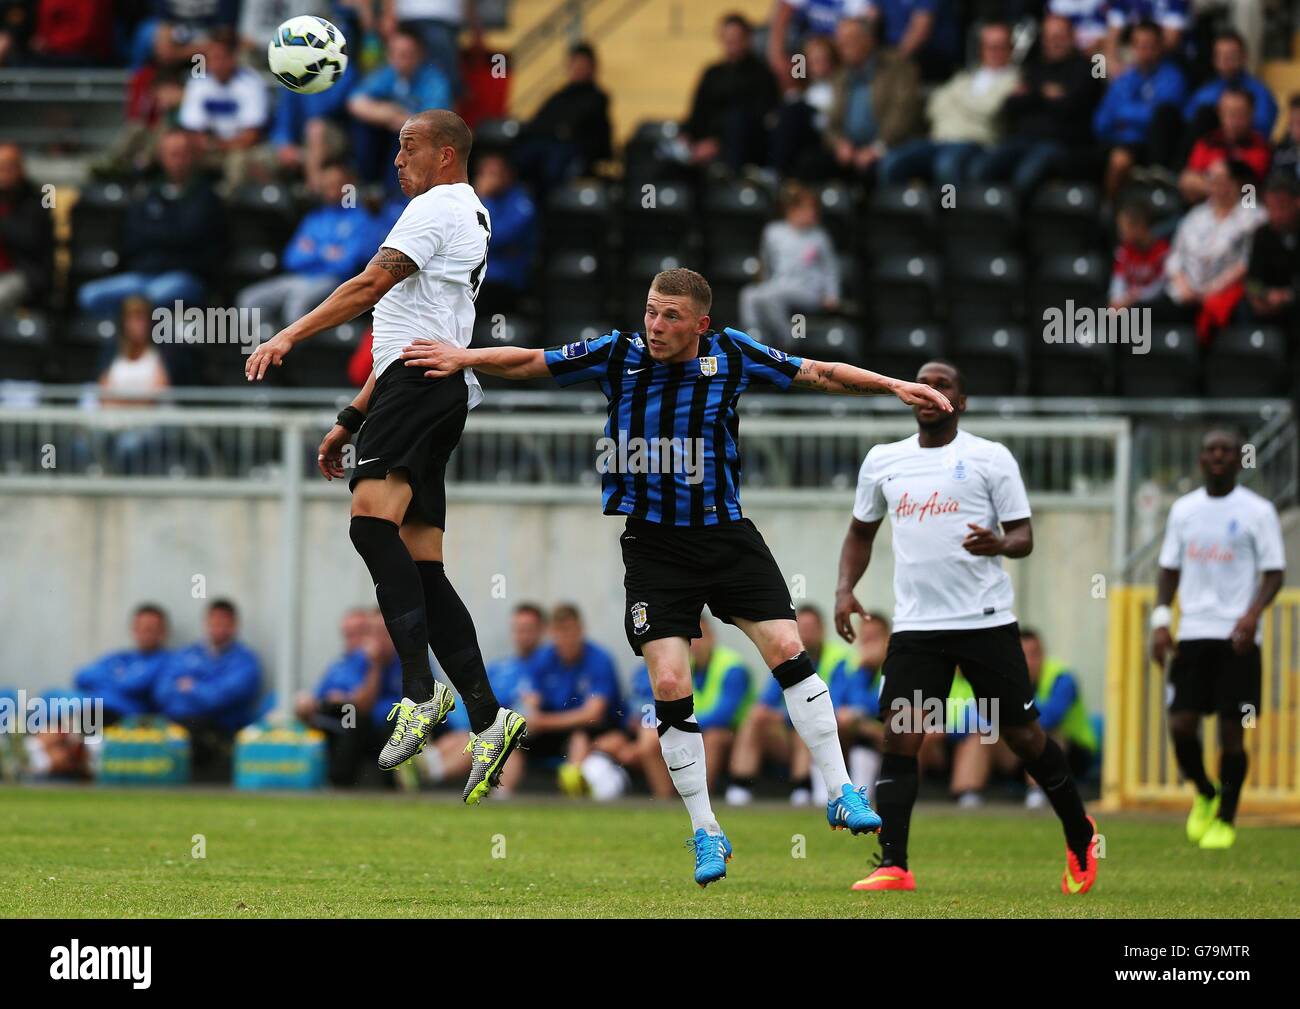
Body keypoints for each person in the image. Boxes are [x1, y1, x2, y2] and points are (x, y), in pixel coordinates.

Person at [399, 266, 952, 887]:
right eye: (651, 312)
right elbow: (531, 360)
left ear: (701, 324)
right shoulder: (618, 355)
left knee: (790, 648)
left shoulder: (732, 355)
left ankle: (840, 789)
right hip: (654, 548)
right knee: (667, 681)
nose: (655, 327)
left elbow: (818, 372)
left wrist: (896, 387)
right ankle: (706, 831)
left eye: (671, 317)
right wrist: (461, 356)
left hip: (726, 537)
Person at [244, 109, 525, 806]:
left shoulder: (435, 208)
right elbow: (412, 331)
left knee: (370, 526)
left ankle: (417, 691)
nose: (397, 161)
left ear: (447, 154)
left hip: (417, 387)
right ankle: (489, 716)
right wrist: (351, 417)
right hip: (432, 387)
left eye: (409, 148)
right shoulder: (467, 213)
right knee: (422, 564)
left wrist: (289, 334)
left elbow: (369, 286)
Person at [835, 360, 1099, 894]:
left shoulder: (989, 457)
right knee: (902, 735)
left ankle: (1079, 829)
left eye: (944, 384)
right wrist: (845, 589)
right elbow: (861, 531)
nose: (931, 391)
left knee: (1023, 737)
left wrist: (999, 543)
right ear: (909, 396)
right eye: (923, 383)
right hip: (916, 627)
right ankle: (895, 864)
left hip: (985, 622)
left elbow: (1023, 535)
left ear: (962, 401)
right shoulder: (884, 461)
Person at [1152, 429, 1285, 850]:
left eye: (1227, 451)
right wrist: (1160, 620)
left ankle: (1226, 818)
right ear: (1201, 459)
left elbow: (1275, 571)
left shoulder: (1258, 511)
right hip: (1192, 633)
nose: (1218, 457)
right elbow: (1169, 569)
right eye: (1210, 450)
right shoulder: (1184, 510)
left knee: (1232, 733)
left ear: (1240, 459)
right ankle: (1206, 793)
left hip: (1237, 639)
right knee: (1180, 725)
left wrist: (1250, 617)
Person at [726, 604, 867, 806]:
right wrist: (769, 715)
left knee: (810, 721)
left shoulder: (839, 660)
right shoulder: (785, 656)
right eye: (803, 628)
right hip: (790, 733)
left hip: (832, 733)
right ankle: (740, 785)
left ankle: (803, 786)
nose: (807, 634)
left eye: (812, 628)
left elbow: (829, 708)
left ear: (822, 630)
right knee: (756, 718)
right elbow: (765, 702)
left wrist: (783, 717)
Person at [77, 129, 223, 318]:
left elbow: (191, 236)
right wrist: (171, 232)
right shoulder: (148, 193)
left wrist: (157, 231)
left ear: (193, 156)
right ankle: (125, 345)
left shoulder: (206, 196)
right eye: (172, 154)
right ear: (161, 157)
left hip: (183, 276)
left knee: (148, 300)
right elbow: (132, 235)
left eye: (182, 153)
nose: (177, 160)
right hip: (141, 276)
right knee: (90, 295)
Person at [950, 628, 1097, 809]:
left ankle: (1040, 793)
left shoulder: (1062, 678)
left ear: (1043, 655)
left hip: (1072, 754)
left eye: (1034, 654)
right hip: (1019, 751)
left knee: (1042, 733)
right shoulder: (999, 678)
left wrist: (1000, 714)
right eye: (1022, 654)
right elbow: (968, 721)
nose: (1029, 662)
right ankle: (968, 797)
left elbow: (1049, 717)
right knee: (981, 737)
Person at [236, 162, 381, 332]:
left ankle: (293, 357)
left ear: (348, 185)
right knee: (249, 299)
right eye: (326, 184)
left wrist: (313, 249)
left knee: (296, 304)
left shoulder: (361, 219)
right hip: (299, 277)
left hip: (333, 281)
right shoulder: (314, 218)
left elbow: (346, 265)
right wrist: (326, 252)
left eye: (336, 183)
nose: (331, 188)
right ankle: (259, 352)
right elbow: (291, 259)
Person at [969, 13, 1101, 198]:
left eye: (1059, 37)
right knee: (979, 169)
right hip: (1023, 140)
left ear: (1072, 38)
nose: (1052, 42)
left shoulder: (1088, 69)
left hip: (1062, 144)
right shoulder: (1034, 68)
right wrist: (1044, 94)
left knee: (1024, 176)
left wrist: (1033, 96)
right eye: (1048, 37)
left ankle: (1013, 223)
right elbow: (1010, 105)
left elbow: (1072, 106)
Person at [879, 21, 1020, 188]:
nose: (993, 52)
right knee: (893, 161)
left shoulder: (1015, 81)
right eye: (989, 46)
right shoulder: (965, 76)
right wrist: (971, 104)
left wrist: (957, 100)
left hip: (976, 143)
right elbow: (934, 105)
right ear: (981, 49)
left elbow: (990, 111)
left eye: (1000, 46)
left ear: (1010, 49)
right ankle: (900, 210)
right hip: (939, 140)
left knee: (946, 166)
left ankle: (950, 209)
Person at [513, 604, 623, 796]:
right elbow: (531, 702)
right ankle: (500, 798)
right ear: (552, 633)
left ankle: (573, 792)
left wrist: (543, 721)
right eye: (560, 632)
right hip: (552, 730)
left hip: (594, 730)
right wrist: (530, 718)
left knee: (578, 735)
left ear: (580, 630)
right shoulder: (543, 659)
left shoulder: (599, 660)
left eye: (570, 631)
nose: (566, 639)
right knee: (515, 741)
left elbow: (593, 714)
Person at [152, 599, 262, 782]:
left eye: (223, 623)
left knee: (187, 730)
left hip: (215, 726)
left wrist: (192, 687)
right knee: (90, 706)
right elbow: (161, 693)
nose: (218, 628)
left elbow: (220, 698)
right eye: (214, 623)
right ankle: (90, 769)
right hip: (173, 718)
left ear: (234, 626)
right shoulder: (186, 654)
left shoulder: (244, 660)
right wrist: (201, 691)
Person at [1159, 158, 1264, 342]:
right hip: (1186, 294)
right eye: (1211, 180)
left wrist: (1213, 289)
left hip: (1225, 295)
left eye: (1221, 180)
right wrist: (1182, 284)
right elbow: (1174, 256)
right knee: (1146, 313)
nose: (1215, 186)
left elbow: (1247, 261)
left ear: (1236, 183)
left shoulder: (1252, 216)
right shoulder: (1196, 215)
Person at [295, 608, 401, 787]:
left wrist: (374, 666)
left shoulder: (408, 661)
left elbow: (363, 704)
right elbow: (325, 697)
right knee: (348, 717)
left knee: (355, 718)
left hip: (394, 727)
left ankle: (341, 784)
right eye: (373, 633)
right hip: (355, 723)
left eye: (384, 632)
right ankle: (332, 782)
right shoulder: (355, 661)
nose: (377, 639)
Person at [347, 29, 453, 193]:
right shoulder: (387, 75)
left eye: (407, 54)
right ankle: (367, 186)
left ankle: (397, 196)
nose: (401, 59)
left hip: (420, 144)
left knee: (406, 139)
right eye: (396, 53)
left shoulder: (434, 81)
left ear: (420, 54)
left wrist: (400, 120)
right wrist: (389, 113)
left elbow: (434, 122)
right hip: (388, 134)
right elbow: (355, 102)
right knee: (363, 128)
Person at [1093, 21, 1187, 201]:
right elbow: (1102, 120)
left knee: (1119, 161)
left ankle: (1108, 212)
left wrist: (1123, 115)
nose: (1145, 51)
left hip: (1148, 146)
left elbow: (1160, 118)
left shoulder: (1172, 77)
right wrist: (1130, 115)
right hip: (1114, 140)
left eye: (1150, 45)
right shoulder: (1123, 78)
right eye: (1139, 45)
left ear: (1160, 47)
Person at [822, 16, 923, 183]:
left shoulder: (897, 66)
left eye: (849, 41)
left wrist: (877, 148)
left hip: (891, 146)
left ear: (868, 40)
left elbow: (903, 113)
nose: (842, 47)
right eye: (840, 42)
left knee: (882, 168)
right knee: (811, 164)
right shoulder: (839, 76)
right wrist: (839, 144)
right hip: (851, 150)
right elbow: (829, 122)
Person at [739, 182, 839, 344]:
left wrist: (832, 294)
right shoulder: (773, 232)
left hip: (809, 291)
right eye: (807, 209)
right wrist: (766, 281)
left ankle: (788, 341)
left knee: (771, 296)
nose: (812, 214)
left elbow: (830, 268)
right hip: (780, 285)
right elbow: (766, 262)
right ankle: (753, 341)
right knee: (749, 294)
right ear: (792, 210)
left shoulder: (819, 236)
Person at [682, 14, 781, 175]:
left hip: (740, 147)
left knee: (736, 122)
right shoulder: (712, 73)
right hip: (703, 146)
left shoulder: (762, 74)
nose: (731, 44)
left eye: (736, 38)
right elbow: (697, 112)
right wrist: (686, 136)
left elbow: (760, 118)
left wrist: (717, 143)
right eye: (727, 39)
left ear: (747, 39)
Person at [513, 42, 612, 194]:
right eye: (574, 63)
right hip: (548, 147)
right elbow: (538, 122)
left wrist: (560, 131)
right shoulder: (560, 96)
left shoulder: (598, 98)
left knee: (553, 162)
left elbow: (580, 130)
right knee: (519, 156)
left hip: (576, 154)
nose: (578, 68)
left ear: (592, 67)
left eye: (582, 64)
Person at [177, 34, 271, 187]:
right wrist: (207, 144)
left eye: (221, 58)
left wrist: (218, 145)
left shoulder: (252, 82)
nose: (216, 63)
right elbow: (191, 130)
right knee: (178, 149)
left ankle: (232, 205)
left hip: (241, 148)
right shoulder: (197, 83)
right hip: (208, 147)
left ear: (232, 59)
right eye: (212, 58)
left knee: (237, 161)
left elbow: (251, 136)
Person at [72, 604, 172, 725]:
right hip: (94, 709)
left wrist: (110, 678)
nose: (142, 634)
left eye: (148, 629)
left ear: (162, 632)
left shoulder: (166, 661)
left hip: (125, 718)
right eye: (138, 628)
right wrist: (118, 679)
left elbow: (133, 685)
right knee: (53, 700)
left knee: (72, 722)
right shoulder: (120, 657)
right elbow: (82, 676)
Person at [469, 151, 535, 318]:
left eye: (493, 174)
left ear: (508, 174)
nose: (487, 180)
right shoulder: (468, 200)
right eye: (483, 174)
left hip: (505, 280)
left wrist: (483, 197)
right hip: (473, 277)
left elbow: (491, 236)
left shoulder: (522, 202)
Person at [1178, 88, 1271, 205]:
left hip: (1245, 213)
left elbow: (1249, 191)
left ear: (1251, 113)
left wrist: (1207, 183)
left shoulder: (1260, 147)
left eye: (1240, 114)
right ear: (1219, 113)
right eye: (1229, 113)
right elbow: (1187, 181)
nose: (1234, 120)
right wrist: (1222, 187)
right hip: (1205, 212)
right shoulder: (1208, 142)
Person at [1183, 30, 1277, 142]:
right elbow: (1187, 123)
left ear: (1244, 57)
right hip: (1208, 152)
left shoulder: (1260, 92)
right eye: (1220, 55)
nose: (1225, 60)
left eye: (1231, 55)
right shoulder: (1205, 91)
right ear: (1214, 59)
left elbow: (1261, 131)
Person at [1237, 173, 1300, 329]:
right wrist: (1260, 296)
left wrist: (1288, 296)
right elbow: (1252, 280)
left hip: (1294, 301)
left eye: (1281, 207)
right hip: (1268, 302)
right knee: (1243, 309)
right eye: (1271, 208)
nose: (1276, 215)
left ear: (1297, 203)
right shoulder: (1262, 234)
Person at [0, 143, 53, 314]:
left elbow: (29, 239)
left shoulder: (39, 199)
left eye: (8, 168)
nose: (3, 174)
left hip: (24, 273)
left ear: (21, 169)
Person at [1108, 199, 1169, 310]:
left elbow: (1159, 287)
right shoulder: (1124, 250)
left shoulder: (1162, 251)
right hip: (1126, 304)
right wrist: (1116, 299)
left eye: (1123, 228)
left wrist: (1135, 297)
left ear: (1139, 227)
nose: (1120, 233)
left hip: (1151, 306)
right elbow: (1118, 279)